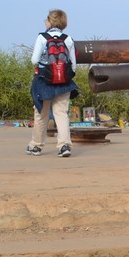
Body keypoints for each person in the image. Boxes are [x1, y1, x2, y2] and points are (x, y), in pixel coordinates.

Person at [27, 9, 78, 157]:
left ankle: (36, 146)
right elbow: (73, 65)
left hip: (44, 80)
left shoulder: (42, 37)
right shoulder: (68, 39)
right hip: (63, 82)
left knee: (41, 114)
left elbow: (34, 60)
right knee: (61, 113)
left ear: (50, 21)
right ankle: (64, 146)